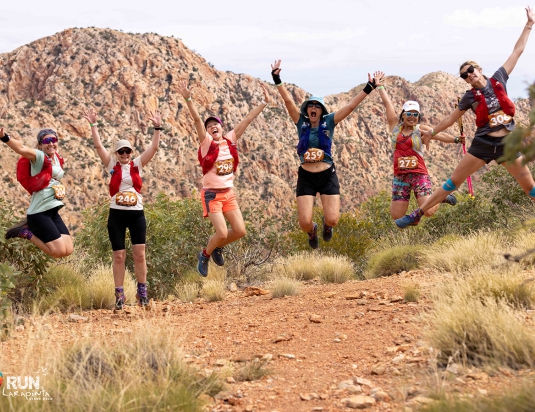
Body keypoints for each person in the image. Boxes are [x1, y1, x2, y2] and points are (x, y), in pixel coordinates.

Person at [395, 6, 535, 229]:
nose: (469, 75)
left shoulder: (499, 79)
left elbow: (517, 51)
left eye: (471, 70)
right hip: (483, 144)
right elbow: (450, 119)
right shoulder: (469, 96)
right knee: (453, 182)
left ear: (479, 69)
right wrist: (431, 133)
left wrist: (528, 25)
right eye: (465, 75)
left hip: (508, 144)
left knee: (531, 188)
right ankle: (418, 213)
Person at [270, 60, 382, 248]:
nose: (313, 108)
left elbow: (350, 106)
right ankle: (312, 231)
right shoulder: (301, 122)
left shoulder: (329, 122)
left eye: (317, 106)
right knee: (304, 223)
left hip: (327, 174)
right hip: (306, 176)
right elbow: (288, 101)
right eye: (310, 106)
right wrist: (277, 79)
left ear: (322, 110)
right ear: (307, 109)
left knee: (333, 220)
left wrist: (369, 87)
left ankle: (326, 226)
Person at [177, 79, 272, 277]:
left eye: (215, 124)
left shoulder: (230, 140)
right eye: (209, 126)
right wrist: (188, 100)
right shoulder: (206, 144)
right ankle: (204, 254)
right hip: (212, 195)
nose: (212, 127)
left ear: (221, 127)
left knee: (239, 231)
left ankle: (218, 247)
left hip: (229, 194)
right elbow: (196, 121)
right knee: (221, 233)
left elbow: (247, 120)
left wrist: (263, 103)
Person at [82, 108, 162, 309]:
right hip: (116, 214)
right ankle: (119, 295)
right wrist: (93, 124)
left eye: (127, 151)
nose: (125, 154)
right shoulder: (111, 165)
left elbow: (153, 148)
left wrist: (157, 127)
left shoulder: (137, 165)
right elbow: (98, 145)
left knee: (139, 254)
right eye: (121, 151)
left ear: (131, 153)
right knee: (119, 255)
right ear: (116, 154)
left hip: (136, 214)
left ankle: (142, 292)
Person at [375, 76, 460, 220]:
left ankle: (440, 197)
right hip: (400, 176)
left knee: (428, 211)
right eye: (409, 113)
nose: (412, 117)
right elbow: (387, 103)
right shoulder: (395, 127)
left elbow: (439, 135)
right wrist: (380, 87)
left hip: (418, 174)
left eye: (415, 114)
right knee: (396, 215)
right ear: (403, 114)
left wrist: (456, 139)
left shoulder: (421, 130)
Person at [0, 122, 73, 258]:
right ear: (40, 144)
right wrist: (3, 137)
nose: (51, 143)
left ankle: (29, 229)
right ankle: (26, 232)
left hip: (52, 211)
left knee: (68, 250)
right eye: (47, 140)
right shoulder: (39, 157)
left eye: (54, 140)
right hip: (39, 212)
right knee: (57, 252)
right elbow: (21, 148)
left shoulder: (56, 158)